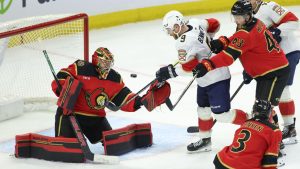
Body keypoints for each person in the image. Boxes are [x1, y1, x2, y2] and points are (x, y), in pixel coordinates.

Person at [156, 10, 248, 153]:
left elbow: (189, 69)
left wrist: (169, 72)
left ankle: (253, 121)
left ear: (176, 26)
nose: (169, 33)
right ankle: (205, 140)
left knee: (222, 115)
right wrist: (208, 41)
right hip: (205, 80)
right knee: (203, 110)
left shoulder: (182, 43)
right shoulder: (194, 22)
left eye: (169, 30)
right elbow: (214, 23)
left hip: (217, 78)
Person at [193, 0, 290, 127]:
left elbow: (228, 57)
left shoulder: (247, 33)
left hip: (274, 73)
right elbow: (238, 38)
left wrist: (207, 65)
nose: (236, 20)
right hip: (267, 72)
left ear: (248, 15)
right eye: (235, 17)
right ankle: (274, 132)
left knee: (262, 110)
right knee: (264, 108)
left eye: (238, 17)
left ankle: (274, 139)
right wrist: (224, 42)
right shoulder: (253, 23)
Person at [51, 47, 170, 145]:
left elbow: (123, 98)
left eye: (109, 63)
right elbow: (63, 74)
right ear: (96, 60)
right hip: (71, 115)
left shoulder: (115, 78)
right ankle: (67, 139)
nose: (106, 66)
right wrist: (61, 87)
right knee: (67, 146)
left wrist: (140, 101)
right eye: (104, 62)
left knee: (113, 144)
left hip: (95, 118)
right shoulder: (81, 68)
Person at [249, 0, 299, 145]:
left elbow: (294, 21)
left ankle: (289, 128)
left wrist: (277, 31)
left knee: (282, 90)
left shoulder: (269, 6)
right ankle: (278, 128)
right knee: (271, 94)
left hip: (288, 52)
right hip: (274, 57)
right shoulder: (249, 14)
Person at [213, 99, 282, 169]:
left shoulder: (245, 123)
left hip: (221, 162)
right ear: (269, 113)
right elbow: (269, 164)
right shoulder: (275, 131)